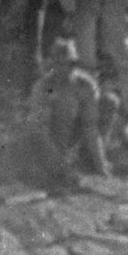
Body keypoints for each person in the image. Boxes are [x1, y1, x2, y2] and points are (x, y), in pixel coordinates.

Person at [27, 36, 110, 181]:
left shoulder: (86, 84)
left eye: (71, 63)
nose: (66, 68)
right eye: (59, 63)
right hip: (50, 138)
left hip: (73, 132)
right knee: (65, 106)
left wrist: (100, 163)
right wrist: (62, 166)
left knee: (109, 102)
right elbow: (39, 131)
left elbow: (91, 126)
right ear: (52, 63)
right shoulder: (43, 87)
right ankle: (57, 167)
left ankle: (88, 160)